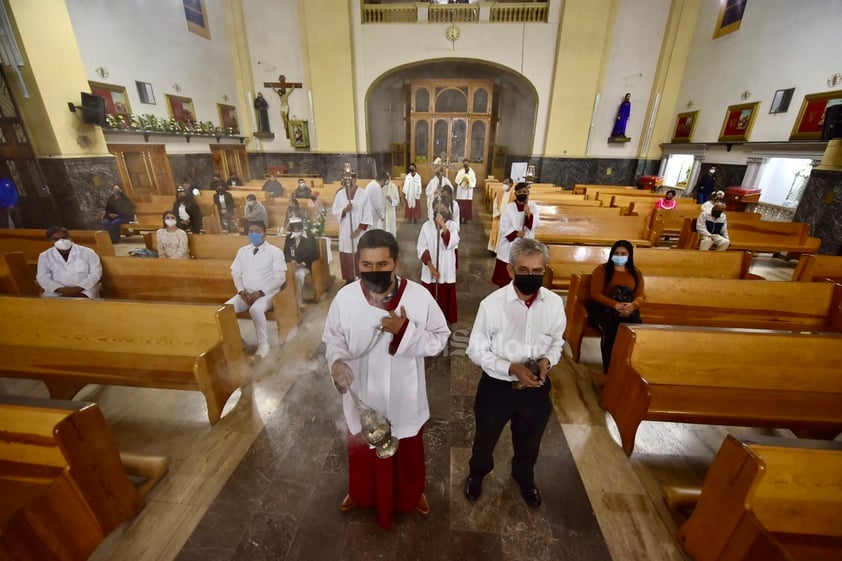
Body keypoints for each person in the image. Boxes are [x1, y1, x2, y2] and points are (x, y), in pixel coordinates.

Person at [323, 229, 450, 530]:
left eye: (382, 264)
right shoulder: (346, 297)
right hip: (362, 392)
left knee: (406, 449)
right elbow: (333, 338)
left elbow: (440, 338)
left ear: (396, 262)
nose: (374, 271)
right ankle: (361, 492)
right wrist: (337, 362)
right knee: (361, 448)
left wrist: (406, 331)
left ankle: (410, 493)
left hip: (404, 393)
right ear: (358, 265)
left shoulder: (419, 296)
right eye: (367, 265)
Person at [464, 238, 565, 509]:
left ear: (545, 269)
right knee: (485, 438)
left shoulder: (554, 303)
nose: (530, 277)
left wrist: (548, 360)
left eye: (537, 271)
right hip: (497, 387)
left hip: (536, 385)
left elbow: (557, 340)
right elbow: (475, 350)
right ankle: (477, 474)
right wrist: (510, 367)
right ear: (510, 271)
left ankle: (524, 477)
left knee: (530, 440)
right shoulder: (492, 305)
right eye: (523, 271)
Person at [225, 221, 287, 358]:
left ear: (264, 233)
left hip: (267, 293)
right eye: (250, 231)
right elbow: (236, 273)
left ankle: (263, 344)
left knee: (256, 309)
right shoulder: (242, 251)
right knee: (226, 309)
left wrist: (260, 292)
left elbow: (279, 278)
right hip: (245, 293)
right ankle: (238, 341)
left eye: (257, 231)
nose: (253, 234)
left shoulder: (275, 252)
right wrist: (241, 291)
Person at [586, 240, 645, 373]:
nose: (619, 256)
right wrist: (616, 305)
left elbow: (641, 295)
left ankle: (628, 367)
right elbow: (595, 294)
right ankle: (609, 370)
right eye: (616, 253)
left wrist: (632, 305)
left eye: (623, 253)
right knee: (611, 332)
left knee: (634, 331)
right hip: (603, 307)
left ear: (629, 255)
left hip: (627, 308)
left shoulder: (636, 273)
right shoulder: (602, 270)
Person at [417, 198, 460, 324]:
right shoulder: (426, 226)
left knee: (444, 294)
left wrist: (443, 225)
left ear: (448, 210)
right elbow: (421, 247)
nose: (439, 211)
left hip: (446, 269)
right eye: (436, 208)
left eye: (442, 209)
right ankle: (430, 319)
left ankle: (444, 319)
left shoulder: (452, 225)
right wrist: (431, 268)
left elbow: (451, 243)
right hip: (430, 269)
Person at [491, 182, 540, 287]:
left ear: (528, 193)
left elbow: (536, 224)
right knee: (505, 280)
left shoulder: (533, 206)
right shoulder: (509, 208)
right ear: (516, 193)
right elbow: (503, 226)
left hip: (525, 244)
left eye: (525, 192)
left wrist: (529, 214)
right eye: (520, 192)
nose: (522, 193)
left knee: (522, 276)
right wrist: (516, 233)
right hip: (510, 245)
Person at [36, 226, 102, 299]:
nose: (61, 241)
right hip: (57, 291)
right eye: (56, 239)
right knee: (50, 303)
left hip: (84, 289)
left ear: (69, 237)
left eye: (64, 237)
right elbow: (42, 277)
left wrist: (79, 288)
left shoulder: (87, 252)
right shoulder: (45, 256)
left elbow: (96, 272)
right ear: (50, 240)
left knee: (83, 301)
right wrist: (60, 289)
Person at [332, 177, 373, 283]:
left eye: (350, 183)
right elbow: (335, 210)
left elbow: (368, 214)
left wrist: (358, 231)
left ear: (355, 181)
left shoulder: (363, 194)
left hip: (359, 232)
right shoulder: (339, 194)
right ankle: (349, 280)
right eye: (345, 185)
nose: (348, 187)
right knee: (347, 254)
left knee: (360, 254)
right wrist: (345, 210)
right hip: (345, 231)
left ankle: (362, 281)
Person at [283, 216, 319, 307]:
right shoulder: (289, 238)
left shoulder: (309, 238)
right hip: (291, 266)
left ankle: (299, 300)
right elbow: (286, 252)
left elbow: (314, 255)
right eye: (293, 229)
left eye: (297, 228)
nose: (296, 231)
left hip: (306, 266)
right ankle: (286, 299)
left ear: (301, 227)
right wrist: (291, 261)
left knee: (298, 275)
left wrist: (302, 263)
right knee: (281, 274)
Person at [488, 178, 514, 252]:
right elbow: (495, 203)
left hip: (508, 219)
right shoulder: (500, 193)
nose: (504, 185)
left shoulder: (514, 195)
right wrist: (497, 213)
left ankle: (501, 250)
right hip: (499, 217)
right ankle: (493, 249)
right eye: (503, 183)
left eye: (506, 183)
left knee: (503, 234)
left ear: (511, 184)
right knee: (496, 232)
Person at [454, 159, 476, 224]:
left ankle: (466, 219)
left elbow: (474, 181)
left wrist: (468, 181)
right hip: (461, 192)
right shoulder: (460, 171)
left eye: (466, 163)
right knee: (460, 206)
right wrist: (462, 181)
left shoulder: (472, 172)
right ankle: (460, 218)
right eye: (464, 163)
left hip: (468, 193)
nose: (465, 164)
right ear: (463, 164)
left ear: (468, 164)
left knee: (467, 206)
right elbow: (456, 180)